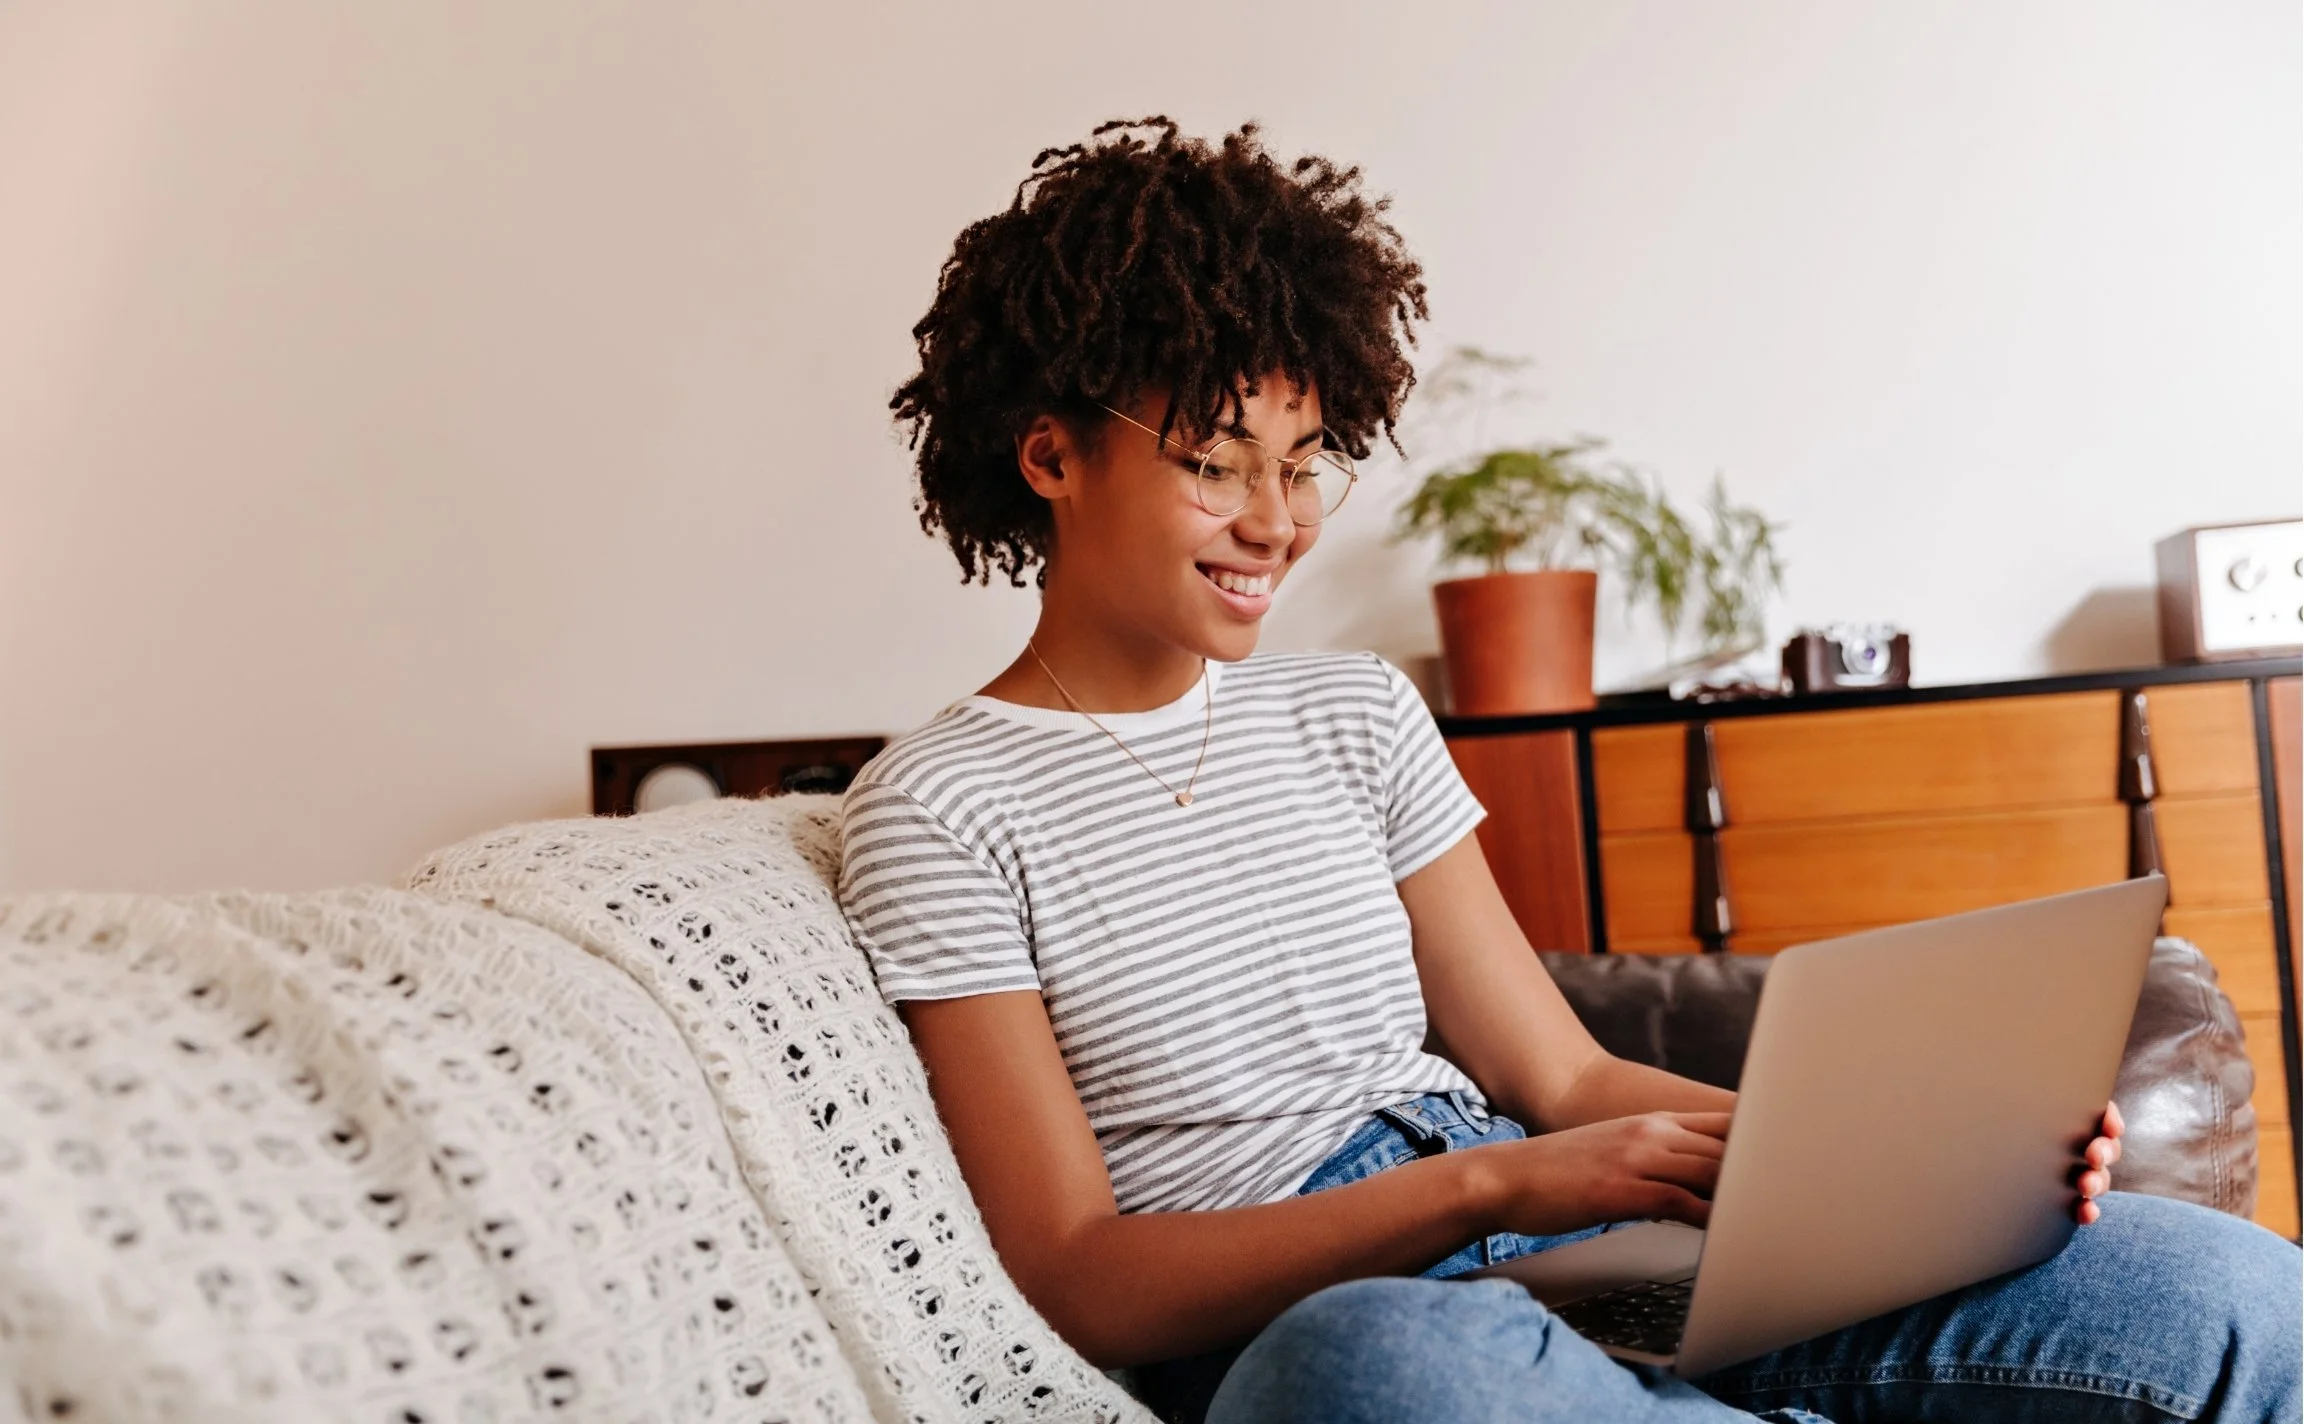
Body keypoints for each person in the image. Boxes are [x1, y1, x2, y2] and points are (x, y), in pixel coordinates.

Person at [835, 116, 2301, 1424]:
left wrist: (1910, 1159)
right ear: (1048, 458)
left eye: (1305, 460)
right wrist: (1486, 1183)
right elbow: (1083, 1277)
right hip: (1337, 1319)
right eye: (1217, 461)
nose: (1277, 521)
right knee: (1383, 1374)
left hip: (1575, 1260)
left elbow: (1560, 1072)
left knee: (2218, 1282)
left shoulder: (1351, 714)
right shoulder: (943, 807)